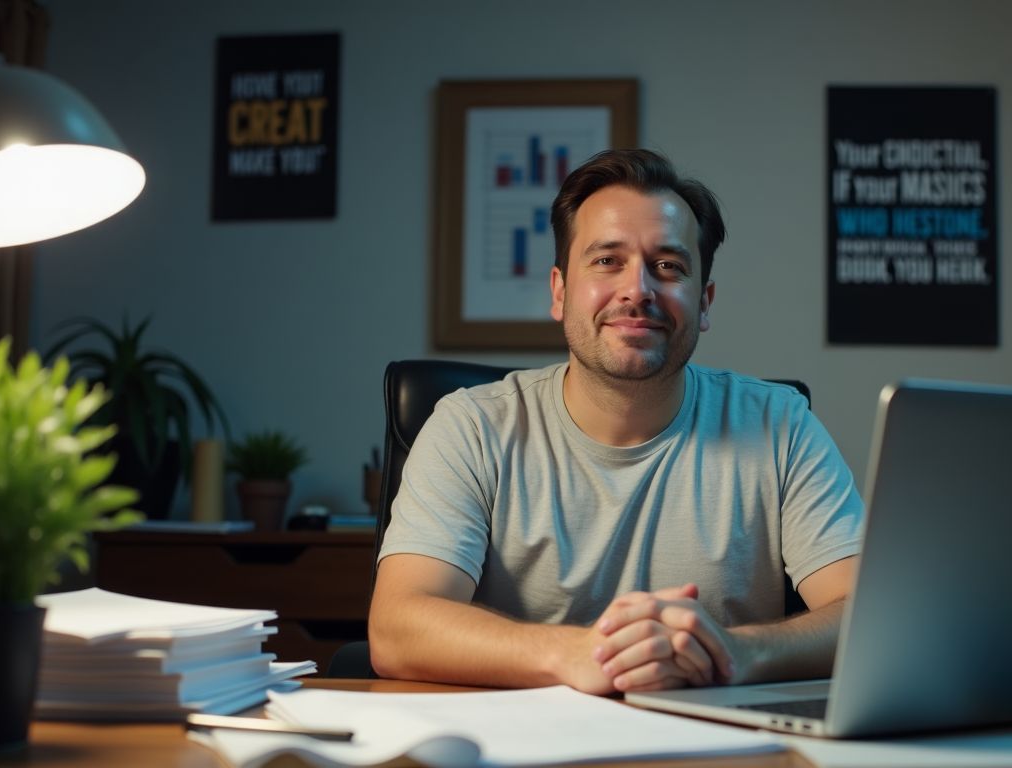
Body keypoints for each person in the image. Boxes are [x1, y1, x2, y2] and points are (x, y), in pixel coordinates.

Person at [369, 148, 863, 694]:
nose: (638, 290)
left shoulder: (780, 427)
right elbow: (397, 628)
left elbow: (868, 617)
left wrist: (738, 652)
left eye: (669, 266)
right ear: (560, 291)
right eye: (607, 261)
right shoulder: (471, 427)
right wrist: (576, 655)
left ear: (704, 302)